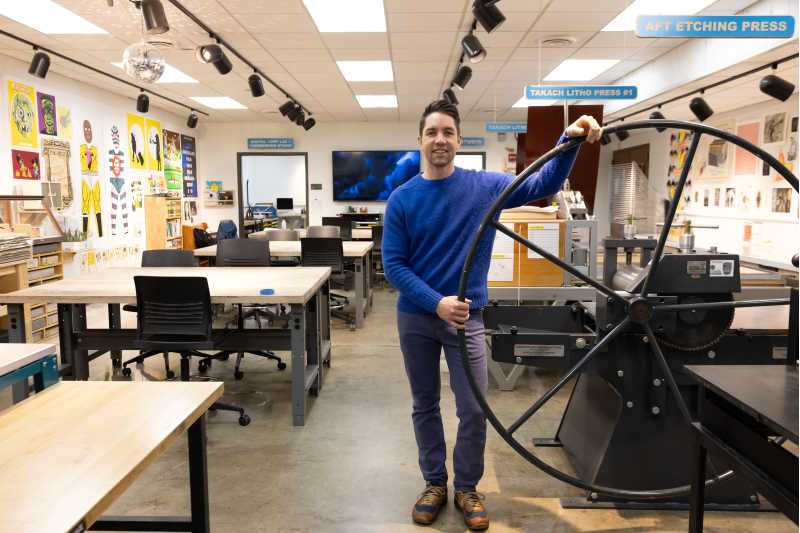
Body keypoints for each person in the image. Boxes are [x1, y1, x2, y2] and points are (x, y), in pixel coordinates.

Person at [382, 100, 601, 531]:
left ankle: (467, 487)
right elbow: (394, 266)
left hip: (467, 319)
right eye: (432, 132)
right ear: (420, 140)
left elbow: (543, 181)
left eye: (448, 132)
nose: (440, 139)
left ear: (459, 140)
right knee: (424, 404)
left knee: (474, 408)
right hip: (418, 318)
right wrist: (436, 303)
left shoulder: (487, 187)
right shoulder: (402, 200)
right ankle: (434, 483)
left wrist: (570, 140)